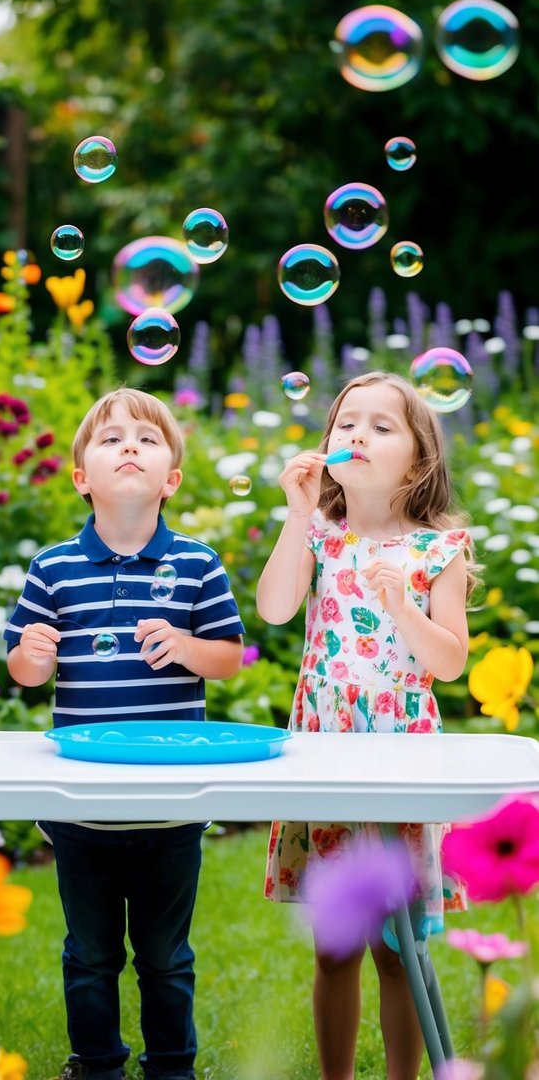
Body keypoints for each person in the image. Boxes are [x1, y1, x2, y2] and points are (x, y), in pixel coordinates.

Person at [5, 387, 244, 1080]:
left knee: (166, 954)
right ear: (81, 477)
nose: (128, 446)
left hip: (173, 800)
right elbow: (22, 667)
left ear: (170, 477)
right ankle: (97, 1063)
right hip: (78, 803)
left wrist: (186, 646)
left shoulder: (196, 563)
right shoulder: (54, 567)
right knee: (89, 951)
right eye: (110, 439)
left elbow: (226, 658)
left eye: (145, 438)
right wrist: (33, 656)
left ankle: (171, 1065)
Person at [256, 370, 478, 1080]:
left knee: (397, 943)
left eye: (381, 426)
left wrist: (404, 608)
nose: (356, 434)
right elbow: (273, 609)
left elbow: (447, 663)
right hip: (329, 756)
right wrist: (295, 515)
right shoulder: (319, 538)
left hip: (398, 757)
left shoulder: (436, 550)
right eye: (346, 423)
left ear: (415, 461)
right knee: (334, 944)